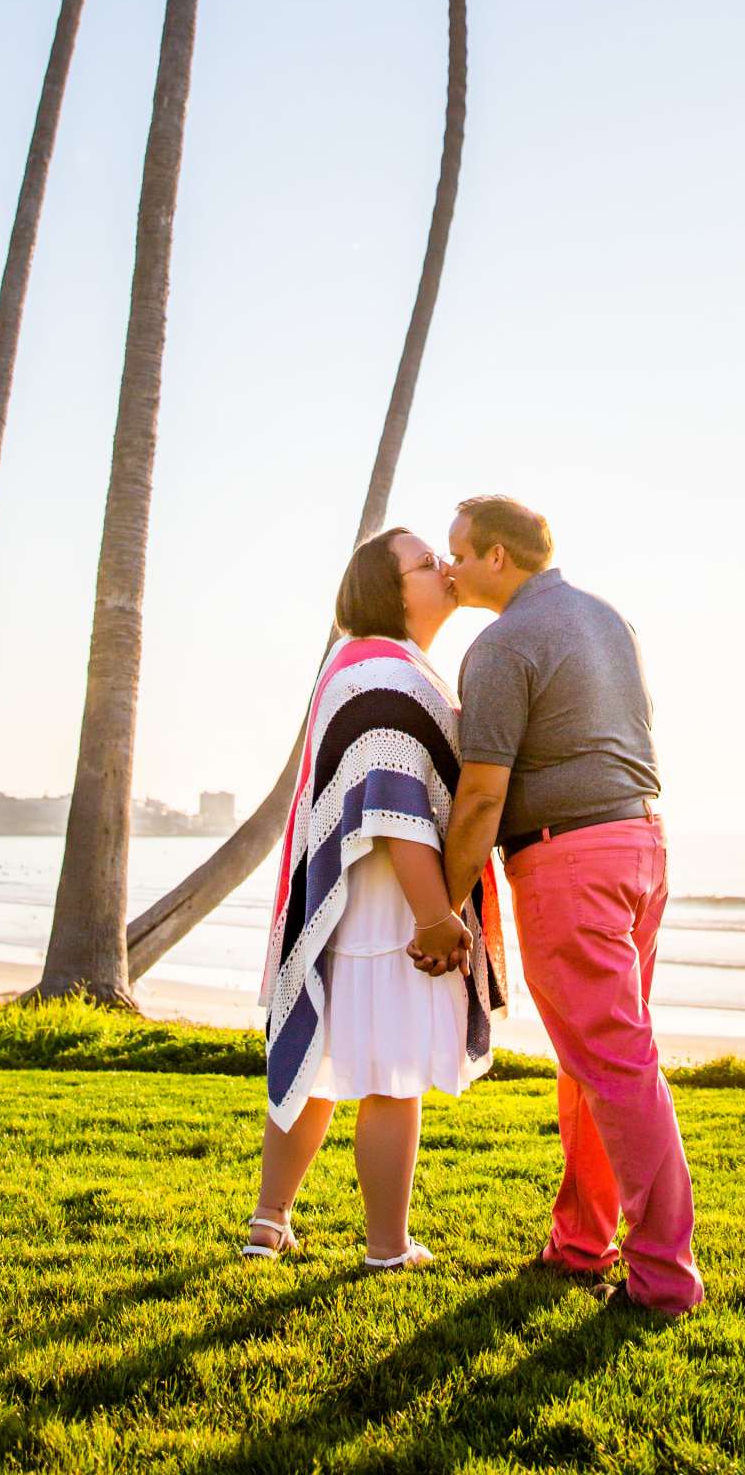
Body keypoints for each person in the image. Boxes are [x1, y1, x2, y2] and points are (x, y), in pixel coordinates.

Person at [423, 494, 703, 1316]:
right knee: (596, 1065)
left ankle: (663, 1279)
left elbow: (479, 798)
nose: (450, 567)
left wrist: (442, 908)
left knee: (616, 1069)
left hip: (571, 860)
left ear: (499, 558)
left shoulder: (502, 644)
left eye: (460, 554)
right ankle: (581, 1241)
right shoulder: (607, 619)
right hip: (642, 846)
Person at [246, 527, 505, 1272]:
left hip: (345, 902)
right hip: (389, 905)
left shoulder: (364, 665)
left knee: (324, 1056)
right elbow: (396, 812)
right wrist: (436, 917)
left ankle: (270, 1221)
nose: (446, 569)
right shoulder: (388, 673)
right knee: (391, 1074)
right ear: (391, 591)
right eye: (429, 563)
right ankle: (389, 1248)